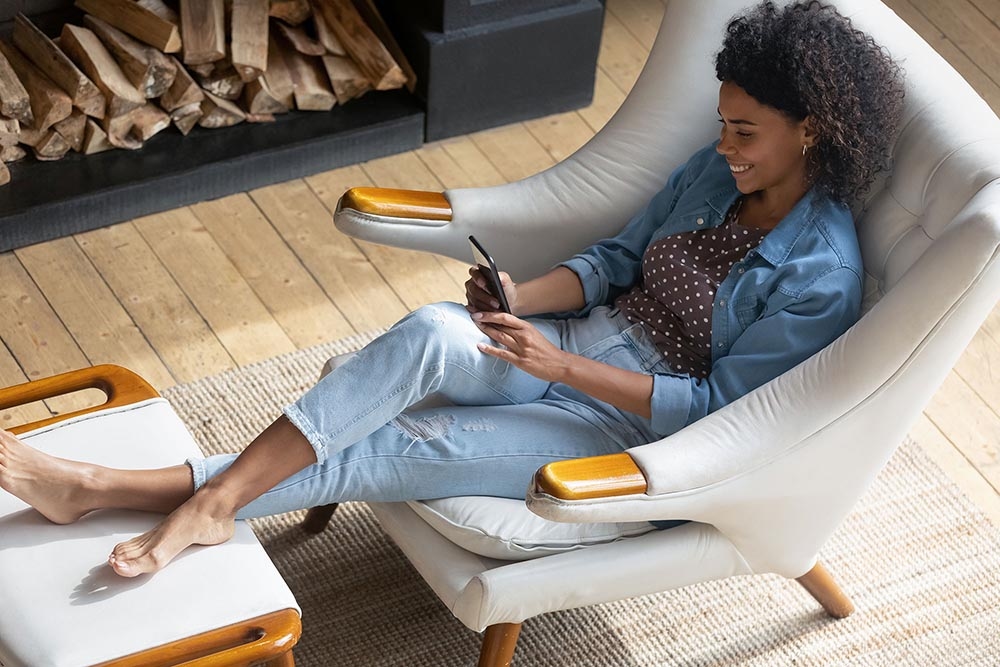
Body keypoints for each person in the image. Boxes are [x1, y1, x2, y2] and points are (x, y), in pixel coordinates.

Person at [0, 0, 904, 578]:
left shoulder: (822, 277)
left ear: (813, 131)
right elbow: (611, 263)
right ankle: (186, 500)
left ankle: (120, 487)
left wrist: (562, 364)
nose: (722, 146)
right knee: (436, 329)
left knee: (404, 436)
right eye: (722, 124)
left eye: (745, 131)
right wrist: (518, 292)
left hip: (620, 425)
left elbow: (713, 411)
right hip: (582, 339)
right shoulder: (715, 176)